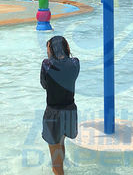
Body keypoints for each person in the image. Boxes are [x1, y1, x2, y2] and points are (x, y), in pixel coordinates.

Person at [40, 36, 80, 175]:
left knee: (56, 166)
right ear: (66, 47)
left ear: (51, 50)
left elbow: (44, 84)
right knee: (61, 142)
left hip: (53, 114)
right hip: (70, 111)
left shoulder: (47, 65)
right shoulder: (75, 64)